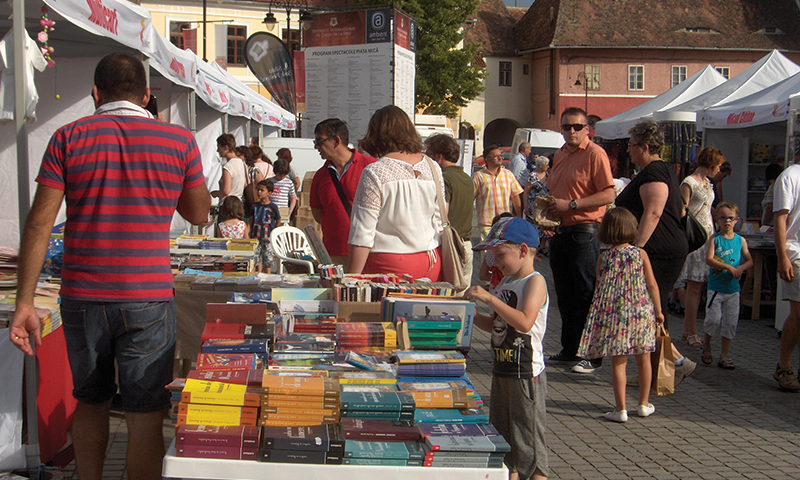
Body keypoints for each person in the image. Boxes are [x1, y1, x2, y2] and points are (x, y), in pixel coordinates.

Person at [8, 52, 210, 480]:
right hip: (147, 296)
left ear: (95, 93)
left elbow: (39, 223)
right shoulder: (179, 141)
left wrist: (24, 301)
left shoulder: (67, 137)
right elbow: (197, 213)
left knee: (91, 401)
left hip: (82, 295)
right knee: (144, 414)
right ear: (148, 95)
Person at [464, 217, 548, 480]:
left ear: (523, 251)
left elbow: (524, 322)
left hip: (525, 374)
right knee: (504, 444)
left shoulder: (535, 281)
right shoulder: (505, 283)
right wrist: (468, 313)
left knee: (530, 447)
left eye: (500, 254)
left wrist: (489, 297)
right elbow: (497, 325)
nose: (494, 262)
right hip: (502, 370)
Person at [615, 119, 696, 387]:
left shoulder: (655, 173)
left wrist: (636, 250)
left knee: (650, 311)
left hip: (658, 251)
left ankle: (668, 369)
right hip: (663, 248)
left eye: (631, 145)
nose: (628, 150)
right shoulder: (659, 171)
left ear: (645, 147)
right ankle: (667, 368)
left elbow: (653, 212)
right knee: (649, 310)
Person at [546, 107, 615, 373]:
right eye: (566, 127)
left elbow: (608, 194)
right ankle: (570, 349)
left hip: (585, 232)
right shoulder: (560, 154)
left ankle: (593, 355)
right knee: (565, 295)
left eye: (577, 127)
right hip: (561, 232)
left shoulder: (595, 153)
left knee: (586, 294)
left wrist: (572, 204)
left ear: (588, 129)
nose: (571, 132)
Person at [577, 208, 662, 423]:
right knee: (644, 359)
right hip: (640, 311)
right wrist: (658, 310)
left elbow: (600, 287)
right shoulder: (640, 254)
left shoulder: (604, 257)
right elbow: (652, 284)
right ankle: (643, 403)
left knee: (618, 362)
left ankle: (620, 408)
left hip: (615, 315)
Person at [348, 105, 444, 280]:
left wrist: (351, 278)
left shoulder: (375, 171)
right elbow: (440, 217)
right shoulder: (433, 166)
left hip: (390, 263)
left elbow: (363, 233)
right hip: (431, 259)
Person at [310, 118, 376, 265]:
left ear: (336, 140)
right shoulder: (320, 176)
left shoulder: (371, 167)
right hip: (334, 253)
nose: (317, 147)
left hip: (368, 252)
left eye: (319, 141)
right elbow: (318, 214)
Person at [678, 146, 725, 349]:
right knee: (694, 286)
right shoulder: (689, 182)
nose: (720, 169)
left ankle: (689, 330)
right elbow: (681, 209)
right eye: (719, 165)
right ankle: (691, 331)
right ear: (711, 163)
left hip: (708, 236)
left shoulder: (708, 183)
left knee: (698, 286)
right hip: (695, 237)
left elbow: (708, 207)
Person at [703, 201, 753, 369]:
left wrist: (740, 268)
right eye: (723, 218)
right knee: (713, 320)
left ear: (737, 220)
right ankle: (707, 345)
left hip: (733, 289)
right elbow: (709, 259)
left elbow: (749, 261)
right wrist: (727, 267)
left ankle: (724, 355)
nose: (727, 222)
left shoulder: (741, 240)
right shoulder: (715, 239)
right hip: (716, 288)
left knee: (730, 323)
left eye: (731, 218)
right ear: (717, 219)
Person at [425, 134, 474, 291]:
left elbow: (442, 212)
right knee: (461, 300)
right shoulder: (466, 178)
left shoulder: (444, 179)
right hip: (466, 244)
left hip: (450, 248)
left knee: (447, 300)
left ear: (438, 157)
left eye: (428, 154)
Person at [772, 162, 800, 391]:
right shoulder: (790, 176)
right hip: (796, 253)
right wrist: (783, 257)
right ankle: (784, 365)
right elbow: (780, 218)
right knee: (799, 313)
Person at [473, 144, 523, 241]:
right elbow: (470, 198)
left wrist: (519, 216)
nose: (500, 158)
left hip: (504, 221)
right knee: (487, 253)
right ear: (487, 159)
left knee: (503, 252)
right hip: (486, 222)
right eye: (496, 156)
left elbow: (515, 196)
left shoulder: (508, 175)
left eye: (500, 156)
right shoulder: (479, 176)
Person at [249, 180, 281, 274]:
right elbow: (250, 221)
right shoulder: (254, 206)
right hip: (255, 239)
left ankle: (268, 280)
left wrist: (274, 233)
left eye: (262, 190)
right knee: (254, 261)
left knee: (267, 261)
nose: (259, 192)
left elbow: (278, 220)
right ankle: (254, 279)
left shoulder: (273, 207)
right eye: (258, 190)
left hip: (267, 239)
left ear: (269, 193)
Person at [523, 155, 552, 255]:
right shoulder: (532, 176)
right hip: (533, 206)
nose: (548, 166)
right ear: (540, 165)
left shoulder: (548, 175)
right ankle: (533, 248)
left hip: (545, 206)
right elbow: (526, 191)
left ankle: (542, 247)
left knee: (545, 225)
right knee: (534, 228)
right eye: (546, 164)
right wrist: (525, 207)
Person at [210, 133, 247, 202]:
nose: (218, 150)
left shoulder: (228, 166)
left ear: (226, 148)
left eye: (219, 147)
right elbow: (245, 184)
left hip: (228, 204)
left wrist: (215, 193)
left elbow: (225, 191)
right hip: (239, 203)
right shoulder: (242, 163)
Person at [762, 163, 784, 227]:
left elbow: (770, 207)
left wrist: (764, 224)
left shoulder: (773, 187)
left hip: (770, 223)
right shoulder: (782, 186)